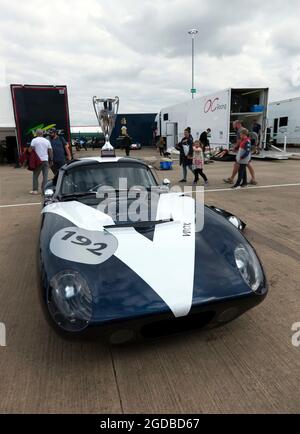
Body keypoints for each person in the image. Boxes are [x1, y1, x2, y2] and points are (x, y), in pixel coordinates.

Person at [223, 120, 257, 185]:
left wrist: (235, 148)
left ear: (237, 124)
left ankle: (232, 179)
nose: (233, 127)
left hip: (243, 150)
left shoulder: (240, 131)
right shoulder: (245, 129)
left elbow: (239, 141)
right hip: (247, 149)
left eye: (233, 125)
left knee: (237, 164)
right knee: (248, 164)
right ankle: (253, 179)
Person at [29, 129, 53, 195]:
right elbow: (50, 150)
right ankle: (44, 190)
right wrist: (51, 160)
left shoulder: (34, 140)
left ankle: (35, 190)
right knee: (45, 176)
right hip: (45, 160)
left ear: (36, 134)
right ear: (42, 134)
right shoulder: (47, 141)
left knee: (35, 176)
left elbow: (31, 149)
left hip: (38, 161)